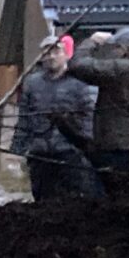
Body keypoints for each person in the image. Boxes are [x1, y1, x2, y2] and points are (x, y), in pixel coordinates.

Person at [14, 33, 103, 200]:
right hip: (39, 153)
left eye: (56, 51)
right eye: (47, 53)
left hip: (70, 153)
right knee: (41, 199)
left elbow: (88, 117)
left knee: (72, 199)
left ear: (66, 54)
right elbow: (24, 118)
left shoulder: (79, 83)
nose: (51, 56)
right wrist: (19, 150)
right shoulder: (31, 83)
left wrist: (89, 148)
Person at [68, 27, 129, 181]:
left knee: (114, 191)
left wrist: (91, 42)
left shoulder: (122, 68)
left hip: (115, 145)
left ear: (122, 49)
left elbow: (78, 65)